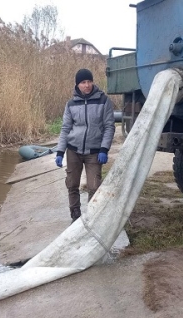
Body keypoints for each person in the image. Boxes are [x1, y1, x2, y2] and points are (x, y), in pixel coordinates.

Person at [55, 68, 115, 223]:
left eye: (89, 81)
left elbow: (109, 126)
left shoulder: (103, 101)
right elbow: (65, 128)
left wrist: (104, 149)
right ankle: (75, 217)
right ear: (78, 85)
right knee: (72, 184)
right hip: (73, 150)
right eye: (83, 82)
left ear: (92, 82)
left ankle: (92, 219)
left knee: (94, 187)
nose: (87, 85)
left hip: (94, 152)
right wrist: (60, 151)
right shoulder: (71, 104)